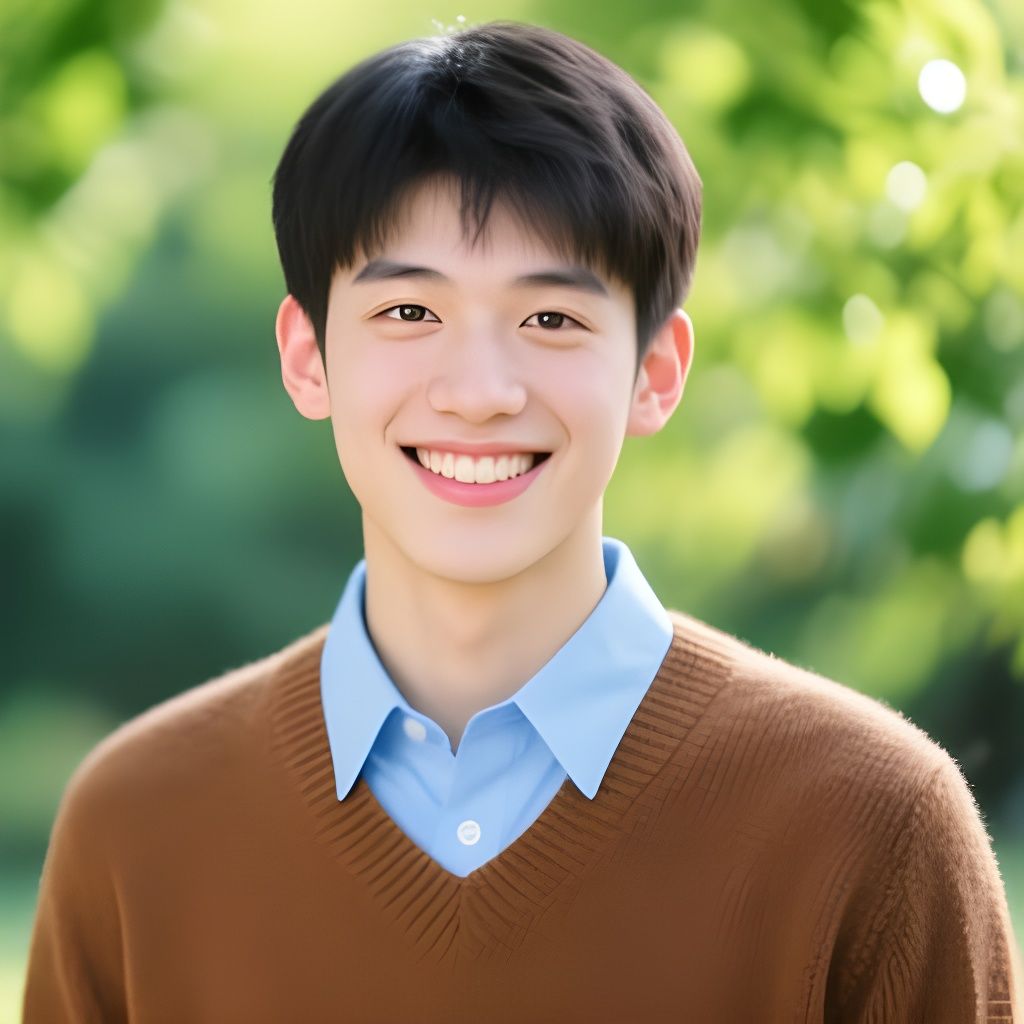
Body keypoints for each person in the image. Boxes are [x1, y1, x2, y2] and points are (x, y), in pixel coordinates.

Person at [22, 19, 1020, 1022]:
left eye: (551, 319)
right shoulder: (136, 826)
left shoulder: (871, 825)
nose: (479, 393)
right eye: (409, 314)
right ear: (307, 356)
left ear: (655, 371)